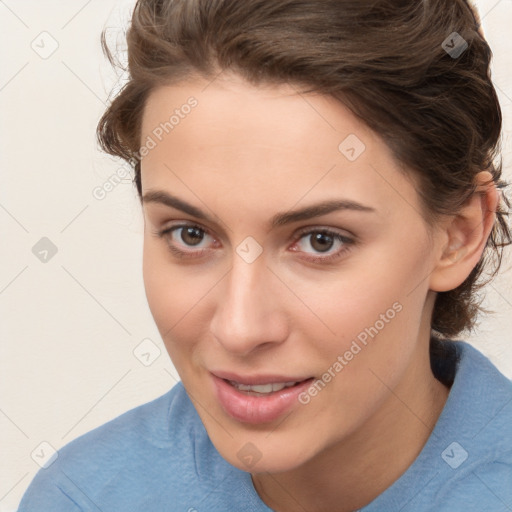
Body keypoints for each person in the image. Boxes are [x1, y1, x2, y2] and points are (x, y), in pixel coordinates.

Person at [17, 0, 512, 511]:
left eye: (322, 241)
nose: (239, 328)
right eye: (190, 234)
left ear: (457, 235)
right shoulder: (81, 499)